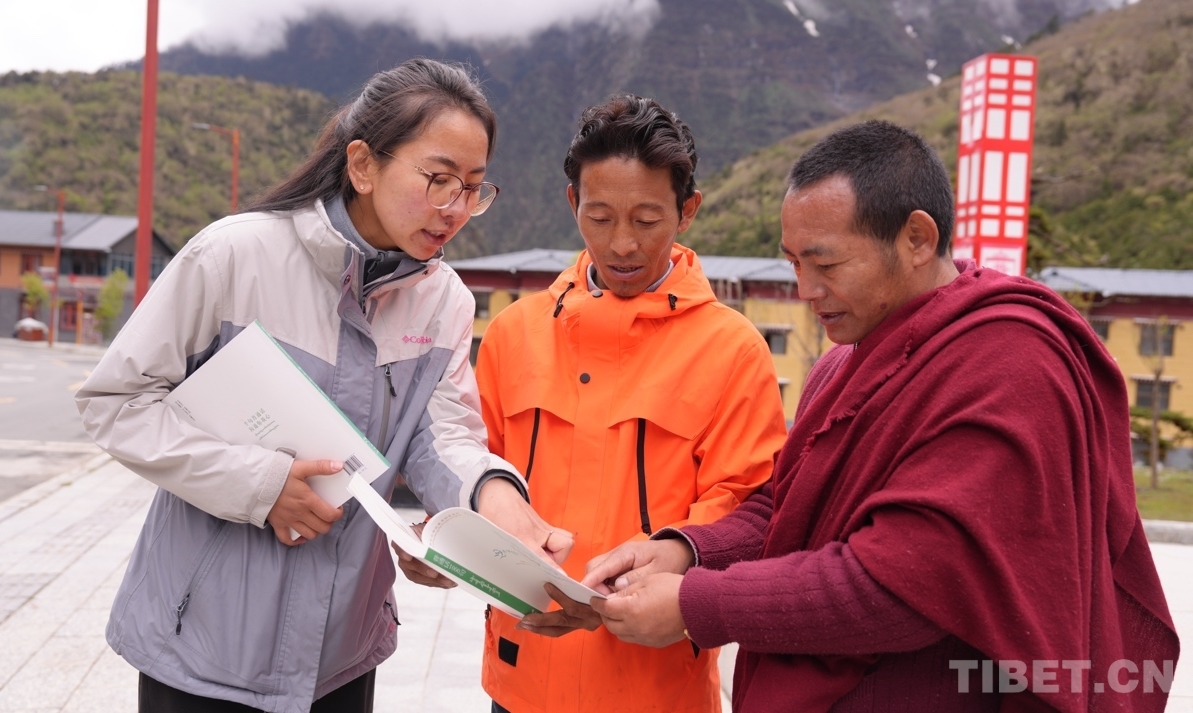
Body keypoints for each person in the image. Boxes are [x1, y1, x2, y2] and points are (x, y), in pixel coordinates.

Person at [584, 119, 1179, 712]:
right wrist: (685, 550)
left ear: (916, 238)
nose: (806, 290)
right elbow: (788, 508)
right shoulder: (841, 363)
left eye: (827, 265)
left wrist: (695, 604)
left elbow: (901, 584)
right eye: (794, 264)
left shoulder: (1007, 365)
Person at [75, 58, 571, 713]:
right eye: (438, 179)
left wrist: (493, 499)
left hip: (340, 655)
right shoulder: (233, 256)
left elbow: (442, 434)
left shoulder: (443, 300)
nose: (455, 208)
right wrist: (259, 485)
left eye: (473, 188)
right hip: (202, 650)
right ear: (363, 165)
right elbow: (117, 402)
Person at [397, 95, 788, 712]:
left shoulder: (732, 350)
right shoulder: (514, 334)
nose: (623, 244)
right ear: (572, 202)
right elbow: (470, 470)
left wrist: (665, 566)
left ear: (687, 211)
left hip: (656, 689)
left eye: (647, 219)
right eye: (600, 217)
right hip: (521, 680)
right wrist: (450, 550)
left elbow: (746, 508)